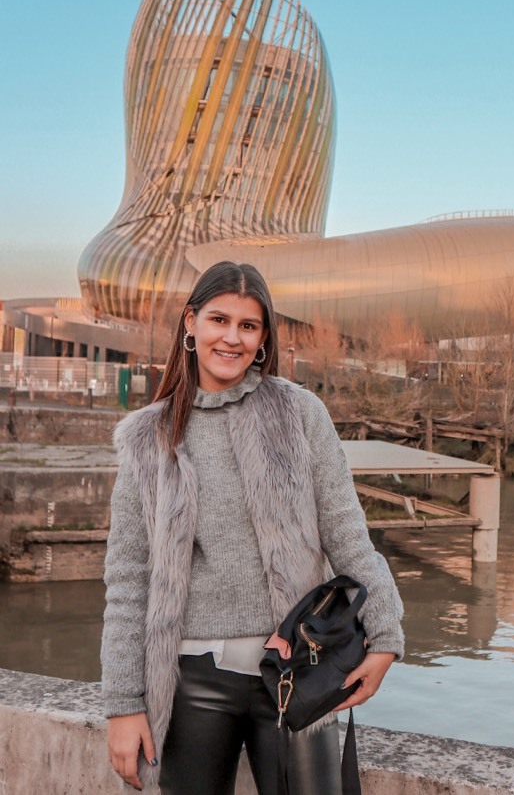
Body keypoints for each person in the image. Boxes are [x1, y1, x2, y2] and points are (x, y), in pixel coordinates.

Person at [101, 261, 405, 794]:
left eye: (249, 326)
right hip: (191, 679)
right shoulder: (147, 437)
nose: (232, 338)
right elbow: (129, 579)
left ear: (264, 338)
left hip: (298, 672)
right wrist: (124, 704)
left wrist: (385, 635)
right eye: (220, 320)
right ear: (190, 323)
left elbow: (347, 533)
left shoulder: (300, 413)